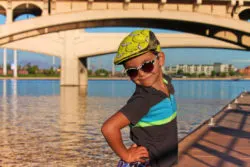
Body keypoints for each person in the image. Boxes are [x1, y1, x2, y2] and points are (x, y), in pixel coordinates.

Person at [101, 29, 178, 167]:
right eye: (132, 71)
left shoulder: (166, 82)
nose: (141, 74)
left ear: (160, 59)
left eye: (147, 66)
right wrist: (126, 154)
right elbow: (109, 128)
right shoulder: (143, 100)